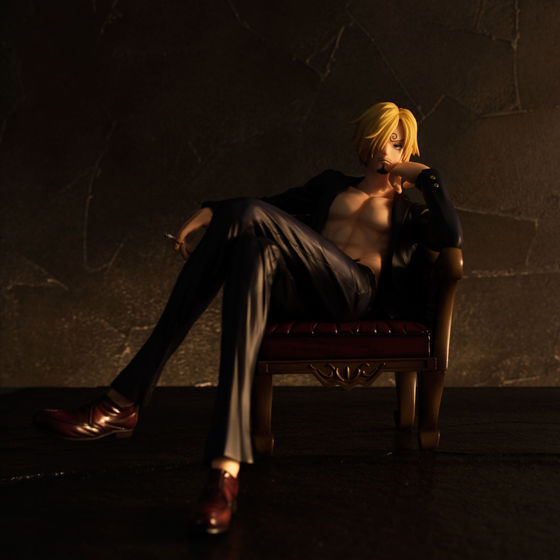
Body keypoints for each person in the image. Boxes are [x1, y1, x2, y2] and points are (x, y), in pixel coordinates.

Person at [33, 101, 463, 535]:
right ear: (365, 141)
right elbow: (272, 208)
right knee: (253, 250)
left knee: (248, 218)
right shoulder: (330, 185)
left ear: (408, 150)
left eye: (397, 143)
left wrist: (426, 177)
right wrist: (214, 211)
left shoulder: (410, 212)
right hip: (302, 295)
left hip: (355, 294)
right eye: (381, 139)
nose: (386, 151)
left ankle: (123, 399)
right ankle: (225, 471)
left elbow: (451, 235)